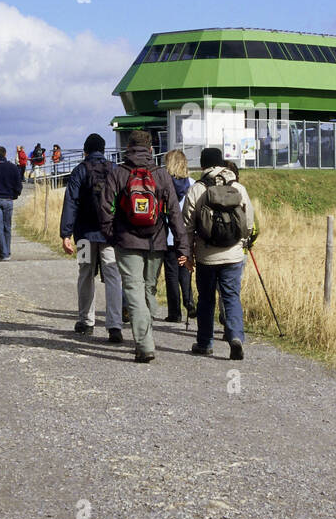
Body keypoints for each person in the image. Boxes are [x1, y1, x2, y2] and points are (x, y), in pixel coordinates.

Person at [100, 130, 188, 363]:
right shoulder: (161, 175)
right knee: (148, 289)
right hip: (156, 242)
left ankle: (144, 343)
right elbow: (175, 214)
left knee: (134, 290)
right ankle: (145, 335)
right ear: (151, 149)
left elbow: (105, 208)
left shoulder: (118, 173)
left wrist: (112, 235)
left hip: (127, 241)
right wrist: (182, 247)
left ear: (128, 148)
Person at [182, 147, 255, 360]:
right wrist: (240, 243)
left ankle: (205, 343)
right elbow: (248, 221)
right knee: (231, 296)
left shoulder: (197, 189)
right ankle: (235, 337)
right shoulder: (237, 187)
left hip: (206, 255)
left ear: (204, 165)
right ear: (223, 163)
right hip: (233, 255)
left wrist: (188, 254)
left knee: (206, 299)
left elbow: (186, 225)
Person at [59, 133, 124, 343]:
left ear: (85, 150)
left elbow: (71, 202)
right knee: (113, 276)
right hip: (110, 235)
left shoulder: (79, 170)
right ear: (103, 150)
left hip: (85, 235)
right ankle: (114, 325)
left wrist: (65, 233)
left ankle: (86, 321)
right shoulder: (115, 169)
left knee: (86, 274)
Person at [161, 149, 195, 324]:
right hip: (187, 237)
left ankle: (175, 312)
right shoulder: (193, 184)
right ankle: (189, 301)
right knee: (185, 270)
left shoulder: (164, 183)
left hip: (168, 236)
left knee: (171, 274)